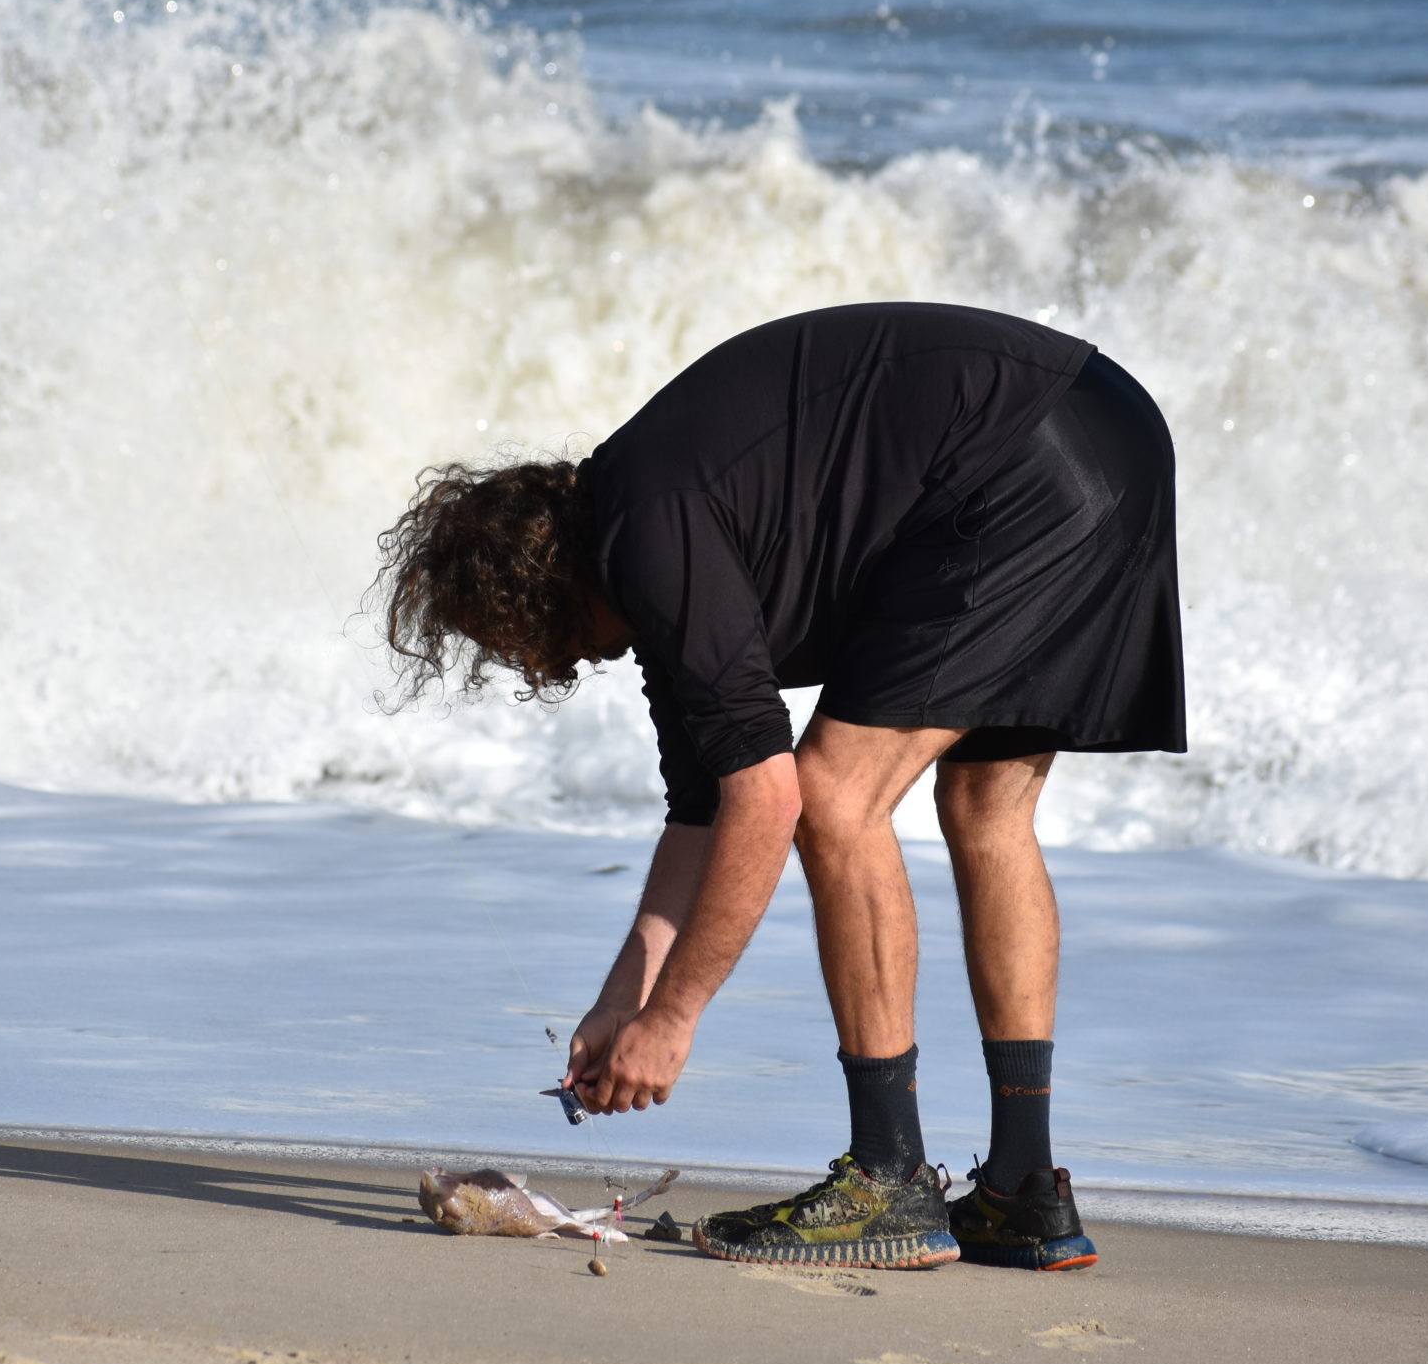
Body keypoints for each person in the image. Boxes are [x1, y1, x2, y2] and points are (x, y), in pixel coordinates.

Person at [375, 302, 1183, 1272]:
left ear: (531, 591)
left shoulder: (651, 533)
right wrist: (622, 1003)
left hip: (1017, 465)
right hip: (1108, 433)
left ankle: (887, 1176)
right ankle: (1021, 1189)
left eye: (511, 639)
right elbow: (704, 811)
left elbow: (769, 800)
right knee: (982, 809)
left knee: (835, 793)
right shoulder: (648, 526)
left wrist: (672, 1023)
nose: (539, 664)